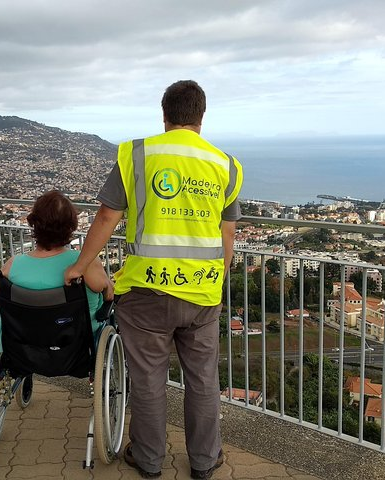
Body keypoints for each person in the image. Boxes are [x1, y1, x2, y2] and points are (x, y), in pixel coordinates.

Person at [65, 80, 243, 479]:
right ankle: (204, 460)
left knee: (148, 381)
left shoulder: (138, 154)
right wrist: (217, 276)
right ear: (201, 116)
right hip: (202, 292)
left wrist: (81, 264)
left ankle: (147, 460)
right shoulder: (225, 164)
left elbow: (108, 216)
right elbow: (227, 234)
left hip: (145, 291)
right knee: (202, 381)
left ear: (164, 116)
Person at [0, 190, 113, 336]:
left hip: (21, 348)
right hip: (77, 348)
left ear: (34, 224)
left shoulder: (12, 265)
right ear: (71, 227)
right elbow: (109, 295)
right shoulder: (85, 264)